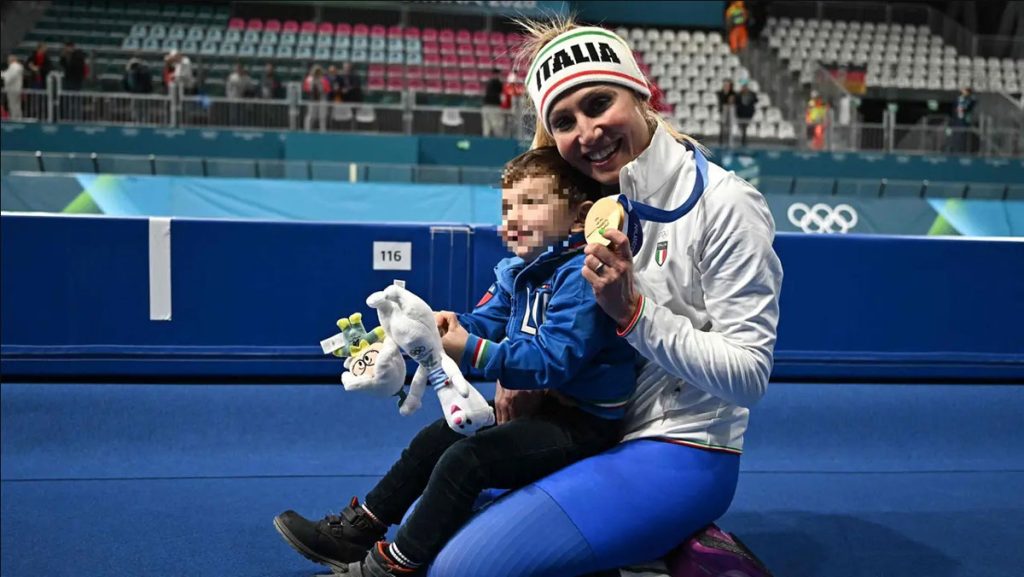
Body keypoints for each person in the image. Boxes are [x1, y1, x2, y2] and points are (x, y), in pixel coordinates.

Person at [419, 18, 781, 576]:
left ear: (641, 92)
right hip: (587, 432)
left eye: (598, 103)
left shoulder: (727, 204)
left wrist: (634, 314)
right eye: (564, 121)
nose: (587, 133)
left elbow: (749, 376)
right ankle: (656, 547)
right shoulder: (583, 202)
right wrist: (511, 370)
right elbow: (530, 317)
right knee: (445, 515)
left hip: (679, 447)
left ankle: (672, 542)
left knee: (462, 570)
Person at [273, 146, 639, 577]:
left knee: (467, 461)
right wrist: (438, 325)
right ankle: (359, 529)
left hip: (583, 424)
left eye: (532, 203)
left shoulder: (582, 277)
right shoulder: (517, 271)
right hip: (544, 408)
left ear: (579, 217)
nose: (513, 218)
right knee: (437, 437)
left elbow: (552, 363)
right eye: (507, 207)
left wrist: (471, 348)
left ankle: (393, 567)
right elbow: (483, 322)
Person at [303, 64, 330, 132]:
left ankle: (322, 131)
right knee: (311, 116)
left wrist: (320, 84)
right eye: (315, 71)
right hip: (312, 100)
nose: (317, 73)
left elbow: (328, 89)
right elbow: (306, 89)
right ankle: (307, 130)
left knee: (322, 116)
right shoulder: (309, 79)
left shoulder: (324, 79)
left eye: (318, 71)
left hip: (322, 99)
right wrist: (312, 84)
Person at [950, 86, 976, 154]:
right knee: (956, 136)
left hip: (964, 121)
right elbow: (955, 110)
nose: (965, 92)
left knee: (964, 136)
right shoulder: (959, 99)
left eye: (966, 91)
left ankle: (963, 150)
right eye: (964, 91)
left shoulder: (970, 100)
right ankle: (955, 150)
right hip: (957, 121)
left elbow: (969, 107)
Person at [482, 68, 505, 137]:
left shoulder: (489, 82)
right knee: (496, 125)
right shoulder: (497, 82)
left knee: (486, 126)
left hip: (486, 106)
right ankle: (498, 142)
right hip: (494, 106)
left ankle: (486, 141)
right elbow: (501, 93)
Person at [735, 78, 758, 147]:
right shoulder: (738, 94)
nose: (744, 88)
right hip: (741, 114)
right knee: (742, 129)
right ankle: (742, 142)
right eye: (743, 86)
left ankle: (744, 142)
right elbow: (736, 103)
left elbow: (755, 101)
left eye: (745, 86)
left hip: (748, 114)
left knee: (746, 128)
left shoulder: (752, 94)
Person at [2, 55, 25, 120]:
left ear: (12, 60)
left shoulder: (14, 66)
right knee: (16, 105)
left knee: (13, 105)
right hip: (15, 88)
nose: (7, 61)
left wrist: (5, 78)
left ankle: (15, 119)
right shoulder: (15, 67)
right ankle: (17, 118)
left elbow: (10, 76)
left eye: (9, 60)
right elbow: (7, 74)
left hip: (13, 89)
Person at [716, 79, 736, 146]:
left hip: (729, 112)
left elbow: (732, 102)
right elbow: (721, 102)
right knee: (722, 126)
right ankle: (721, 141)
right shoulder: (721, 93)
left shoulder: (732, 93)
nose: (726, 86)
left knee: (729, 127)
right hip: (723, 111)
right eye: (725, 85)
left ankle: (729, 140)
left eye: (728, 85)